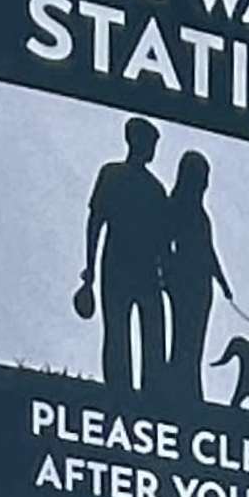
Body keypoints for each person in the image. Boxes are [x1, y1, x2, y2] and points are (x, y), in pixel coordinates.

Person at [74, 119, 175, 397]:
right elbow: (96, 222)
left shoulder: (156, 189)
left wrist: (165, 275)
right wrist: (90, 268)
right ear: (136, 142)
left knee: (150, 334)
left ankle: (149, 393)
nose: (153, 150)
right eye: (151, 143)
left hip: (142, 271)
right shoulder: (113, 175)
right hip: (119, 266)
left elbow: (162, 240)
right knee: (118, 332)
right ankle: (120, 392)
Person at [155, 151, 233, 403]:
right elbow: (163, 245)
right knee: (183, 339)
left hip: (202, 286)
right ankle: (176, 390)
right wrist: (166, 276)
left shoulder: (200, 214)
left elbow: (209, 251)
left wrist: (222, 283)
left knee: (195, 341)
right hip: (183, 284)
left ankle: (190, 393)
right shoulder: (174, 207)